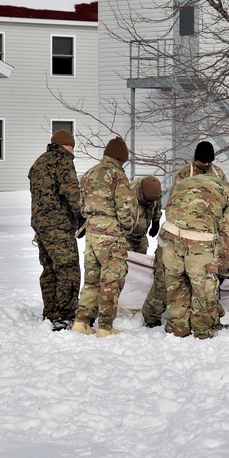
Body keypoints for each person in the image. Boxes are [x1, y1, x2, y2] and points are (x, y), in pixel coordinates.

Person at [141, 140, 229, 327]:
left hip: (202, 235)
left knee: (196, 282)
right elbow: (173, 205)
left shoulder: (219, 175)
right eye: (203, 162)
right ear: (196, 158)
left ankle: (185, 323)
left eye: (209, 162)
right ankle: (153, 317)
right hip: (177, 233)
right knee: (167, 279)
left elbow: (226, 210)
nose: (206, 165)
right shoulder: (185, 174)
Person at [159, 173, 229, 338]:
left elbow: (170, 211)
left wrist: (163, 244)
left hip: (171, 238)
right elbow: (227, 232)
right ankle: (203, 329)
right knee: (203, 288)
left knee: (175, 284)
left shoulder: (182, 184)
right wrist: (221, 266)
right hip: (200, 240)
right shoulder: (225, 191)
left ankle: (177, 328)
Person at [73, 136, 135, 338]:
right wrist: (126, 227)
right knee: (111, 282)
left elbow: (81, 206)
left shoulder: (89, 173)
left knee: (91, 281)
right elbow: (125, 209)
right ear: (121, 158)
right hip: (111, 235)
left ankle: (81, 322)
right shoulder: (117, 176)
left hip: (91, 233)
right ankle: (105, 327)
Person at [28, 129, 83, 331]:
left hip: (40, 226)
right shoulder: (63, 160)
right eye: (71, 146)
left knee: (49, 269)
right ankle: (66, 316)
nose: (72, 150)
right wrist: (81, 214)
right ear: (65, 145)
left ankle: (50, 312)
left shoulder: (39, 162)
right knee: (68, 269)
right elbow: (71, 192)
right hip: (59, 226)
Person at [126, 175, 163, 255]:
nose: (150, 203)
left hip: (141, 236)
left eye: (152, 200)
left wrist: (156, 221)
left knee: (141, 260)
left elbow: (157, 205)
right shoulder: (128, 198)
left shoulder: (154, 191)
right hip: (127, 237)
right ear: (141, 193)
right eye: (148, 200)